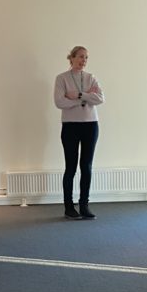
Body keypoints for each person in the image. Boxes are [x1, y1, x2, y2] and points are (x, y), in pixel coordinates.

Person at [54, 46, 104, 220]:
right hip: (70, 126)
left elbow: (100, 98)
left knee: (86, 167)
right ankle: (69, 207)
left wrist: (78, 95)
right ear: (72, 58)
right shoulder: (62, 78)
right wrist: (86, 98)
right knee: (71, 167)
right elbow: (59, 102)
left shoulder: (91, 78)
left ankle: (84, 205)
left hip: (90, 126)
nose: (84, 60)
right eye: (81, 57)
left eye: (86, 57)